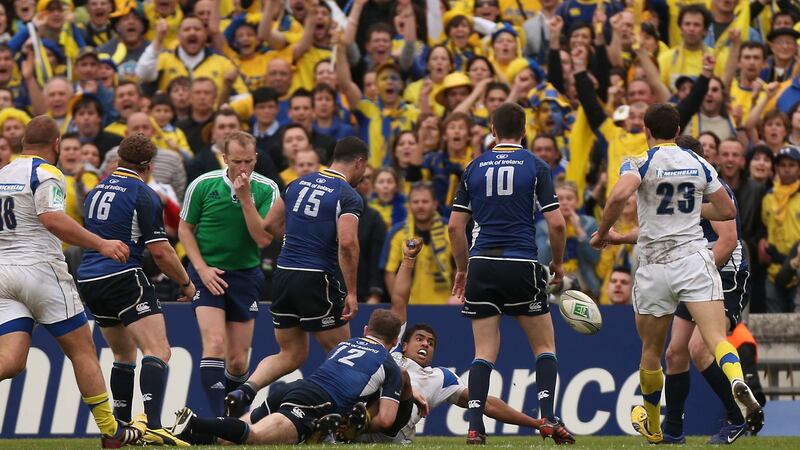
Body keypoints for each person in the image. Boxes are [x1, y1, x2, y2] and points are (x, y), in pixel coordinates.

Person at [590, 103, 764, 444]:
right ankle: (735, 379)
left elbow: (618, 195)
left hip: (655, 267)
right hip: (694, 261)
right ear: (679, 127)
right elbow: (727, 210)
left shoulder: (640, 161)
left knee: (652, 351)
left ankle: (655, 426)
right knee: (715, 340)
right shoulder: (699, 163)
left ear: (646, 130)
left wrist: (602, 232)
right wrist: (691, 208)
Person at [0, 116, 139, 448]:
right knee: (83, 351)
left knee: (11, 360)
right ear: (57, 144)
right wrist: (102, 243)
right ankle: (111, 430)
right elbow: (53, 220)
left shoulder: (3, 174)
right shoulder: (46, 173)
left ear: (21, 144)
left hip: (3, 274)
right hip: (41, 272)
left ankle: (111, 431)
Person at [352, 238, 570, 444]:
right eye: (419, 339)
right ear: (404, 344)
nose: (426, 344)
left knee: (398, 382)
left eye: (430, 343)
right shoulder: (392, 355)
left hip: (392, 435)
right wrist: (408, 260)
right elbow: (399, 300)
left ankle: (351, 423)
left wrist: (536, 424)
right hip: (363, 425)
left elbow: (486, 403)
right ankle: (342, 423)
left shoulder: (441, 378)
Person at [449, 102, 572, 444]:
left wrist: (462, 268)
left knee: (484, 351)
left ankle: (474, 426)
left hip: (482, 264)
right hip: (521, 263)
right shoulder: (535, 165)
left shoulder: (474, 167)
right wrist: (558, 264)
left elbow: (455, 227)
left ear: (492, 128)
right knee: (544, 346)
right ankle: (547, 418)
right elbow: (557, 225)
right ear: (525, 129)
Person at [224, 137, 367, 418]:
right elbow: (348, 243)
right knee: (344, 354)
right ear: (359, 162)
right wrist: (351, 291)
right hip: (316, 278)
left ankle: (246, 390)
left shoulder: (298, 183)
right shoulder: (348, 195)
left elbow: (269, 225)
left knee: (291, 353)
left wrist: (296, 238)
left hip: (284, 275)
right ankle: (338, 418)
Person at [77, 133, 197, 446]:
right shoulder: (143, 194)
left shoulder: (95, 191)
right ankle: (154, 425)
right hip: (122, 276)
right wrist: (185, 282)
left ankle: (121, 429)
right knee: (159, 350)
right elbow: (161, 251)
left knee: (122, 354)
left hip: (89, 280)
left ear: (118, 160)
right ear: (148, 166)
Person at [171, 309, 404, 445]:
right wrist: (355, 425)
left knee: (227, 439)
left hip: (295, 389)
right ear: (395, 342)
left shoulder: (344, 345)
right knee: (255, 437)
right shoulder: (389, 364)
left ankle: (175, 433)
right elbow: (385, 420)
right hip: (316, 402)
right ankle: (194, 421)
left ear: (366, 330)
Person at [179, 131, 279, 418]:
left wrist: (246, 198)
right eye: (237, 161)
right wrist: (201, 269)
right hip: (209, 273)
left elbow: (262, 239)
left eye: (249, 161)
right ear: (225, 159)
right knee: (216, 344)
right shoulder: (203, 184)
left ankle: (232, 417)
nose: (244, 168)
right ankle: (216, 421)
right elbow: (185, 229)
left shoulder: (266, 189)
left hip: (245, 275)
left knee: (237, 361)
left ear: (256, 158)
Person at [662, 135, 754, 444]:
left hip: (724, 273)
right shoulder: (683, 191)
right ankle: (672, 431)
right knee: (676, 352)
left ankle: (738, 416)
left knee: (700, 348)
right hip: (698, 270)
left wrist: (694, 274)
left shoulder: (715, 189)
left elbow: (727, 241)